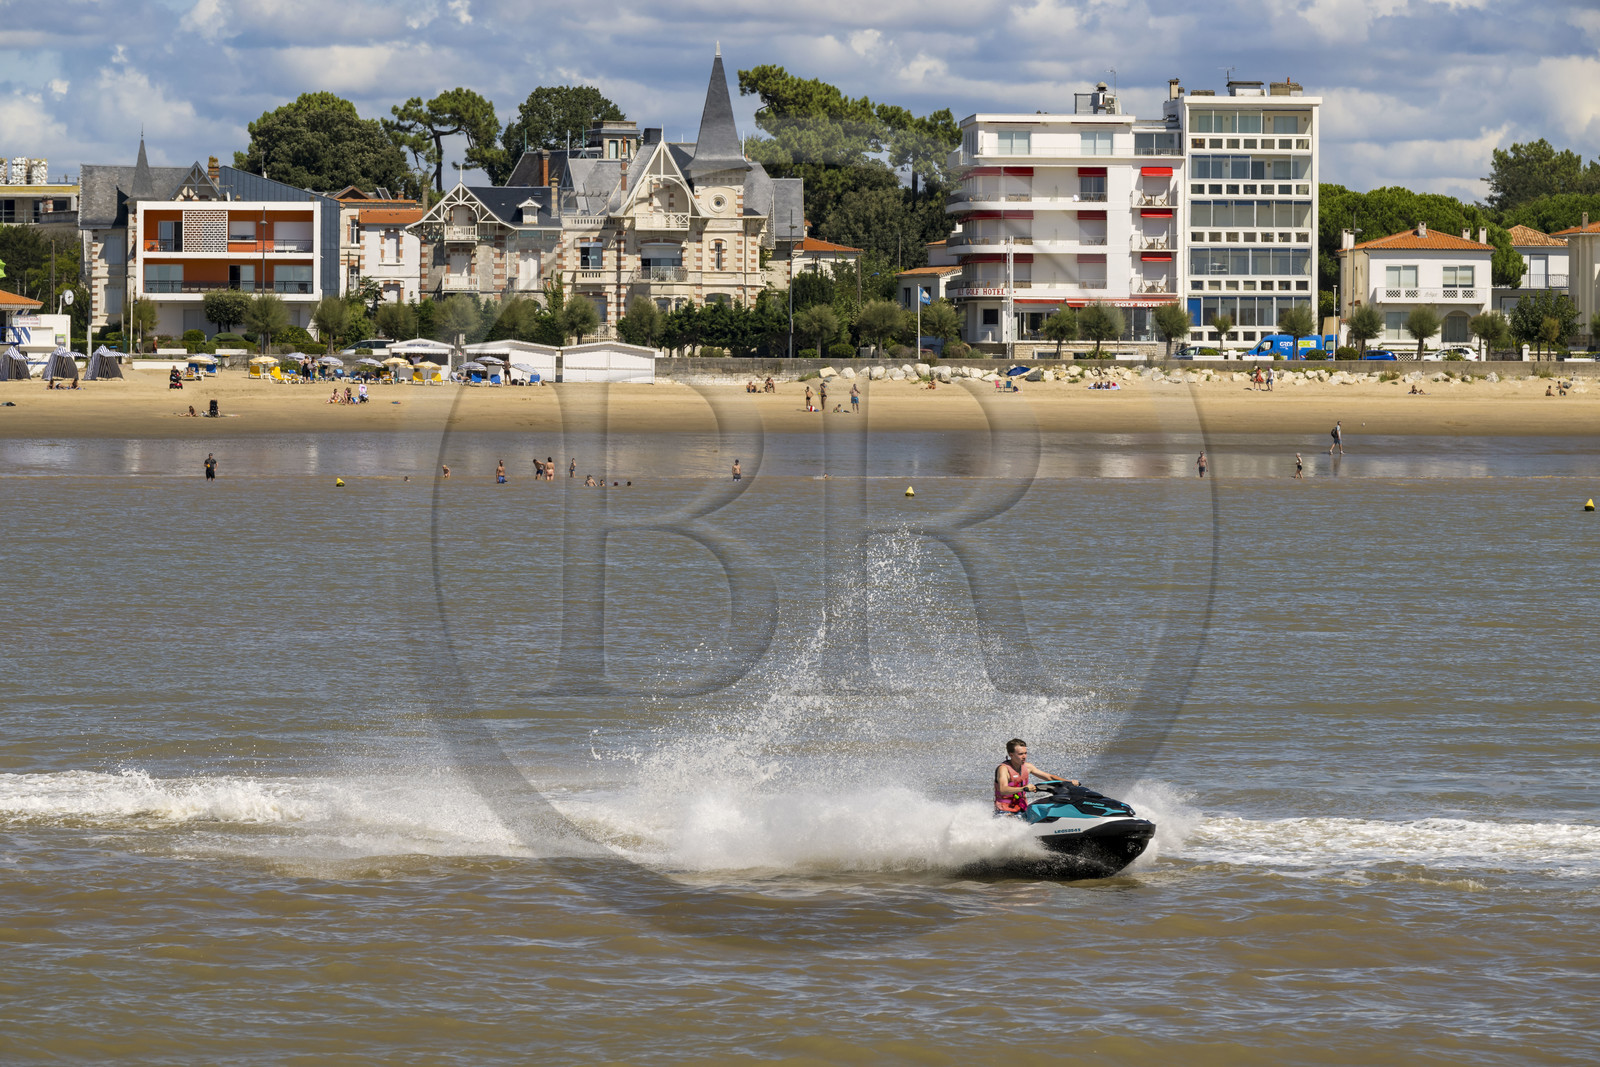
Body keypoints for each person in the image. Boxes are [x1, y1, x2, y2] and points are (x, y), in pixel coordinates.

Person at [994, 738, 1076, 815]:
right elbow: (1003, 789)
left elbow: (1049, 777)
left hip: (1022, 809)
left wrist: (1069, 782)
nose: (1024, 757)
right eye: (1020, 754)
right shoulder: (1003, 769)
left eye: (1025, 753)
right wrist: (1023, 788)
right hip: (1004, 811)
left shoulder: (1028, 767)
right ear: (1011, 755)